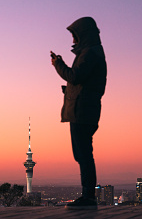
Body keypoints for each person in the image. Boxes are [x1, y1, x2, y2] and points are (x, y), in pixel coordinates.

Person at [51, 17, 107, 210]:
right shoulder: (92, 53)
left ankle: (88, 196)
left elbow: (75, 76)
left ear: (83, 35)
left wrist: (58, 63)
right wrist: (69, 92)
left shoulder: (90, 54)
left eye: (75, 37)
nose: (73, 41)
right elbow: (86, 83)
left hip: (82, 112)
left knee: (83, 154)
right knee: (83, 154)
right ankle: (88, 195)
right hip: (84, 109)